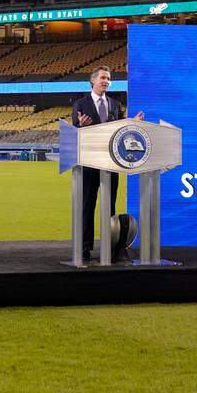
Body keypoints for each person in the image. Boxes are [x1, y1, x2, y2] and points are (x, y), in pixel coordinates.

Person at [71, 66, 143, 262]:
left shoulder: (114, 104)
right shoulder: (80, 104)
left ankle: (109, 247)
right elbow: (75, 130)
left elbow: (119, 128)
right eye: (103, 78)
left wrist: (132, 122)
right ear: (93, 81)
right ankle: (84, 248)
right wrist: (81, 126)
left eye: (109, 78)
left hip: (111, 164)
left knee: (109, 208)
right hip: (89, 164)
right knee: (87, 207)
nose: (106, 81)